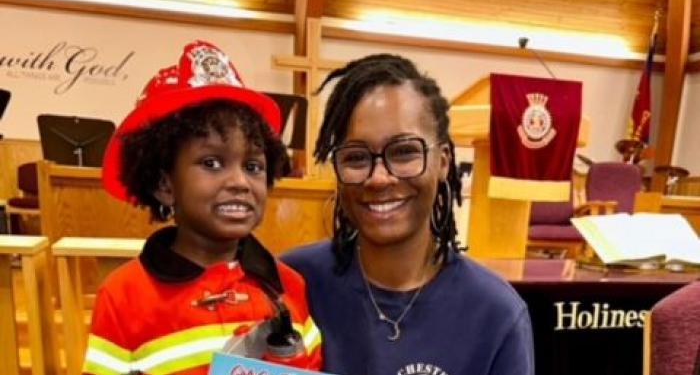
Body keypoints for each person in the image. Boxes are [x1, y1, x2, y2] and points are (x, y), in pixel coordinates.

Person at [283, 54, 534, 375]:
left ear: (443, 161)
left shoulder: (495, 313)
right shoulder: (292, 282)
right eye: (357, 157)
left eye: (403, 152)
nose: (378, 177)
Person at [83, 41, 322, 375]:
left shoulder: (289, 285)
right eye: (212, 163)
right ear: (165, 185)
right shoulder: (123, 297)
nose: (240, 181)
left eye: (253, 166)